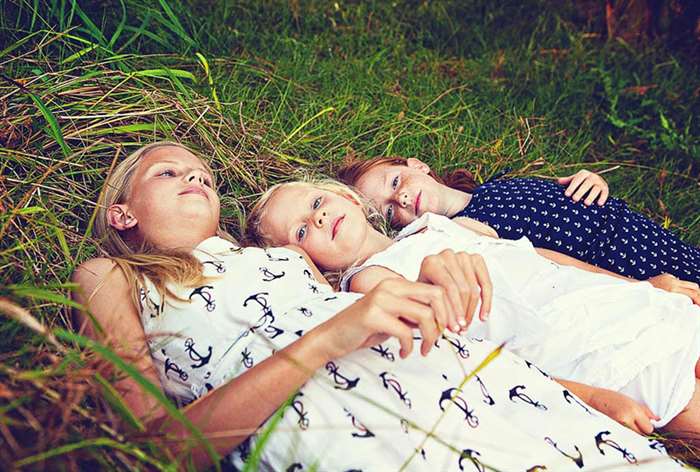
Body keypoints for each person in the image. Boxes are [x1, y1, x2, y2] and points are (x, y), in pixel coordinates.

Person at [72, 142, 683, 470]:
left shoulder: (287, 262)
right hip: (363, 441)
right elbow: (157, 449)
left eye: (201, 171)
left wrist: (580, 394)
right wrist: (326, 340)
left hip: (489, 397)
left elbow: (419, 327)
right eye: (168, 172)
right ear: (123, 213)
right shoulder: (108, 278)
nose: (196, 177)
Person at [246, 178, 700, 444]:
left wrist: (643, 286)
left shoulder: (445, 226)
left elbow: (545, 259)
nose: (320, 219)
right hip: (587, 353)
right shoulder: (369, 285)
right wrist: (589, 398)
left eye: (317, 203)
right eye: (302, 230)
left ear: (345, 197)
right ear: (302, 260)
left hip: (618, 304)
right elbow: (466, 357)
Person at [338, 156, 700, 285]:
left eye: (396, 182)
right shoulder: (466, 233)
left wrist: (594, 181)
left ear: (416, 165)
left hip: (651, 238)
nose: (399, 198)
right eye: (388, 210)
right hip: (635, 269)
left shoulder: (498, 186)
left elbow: (571, 201)